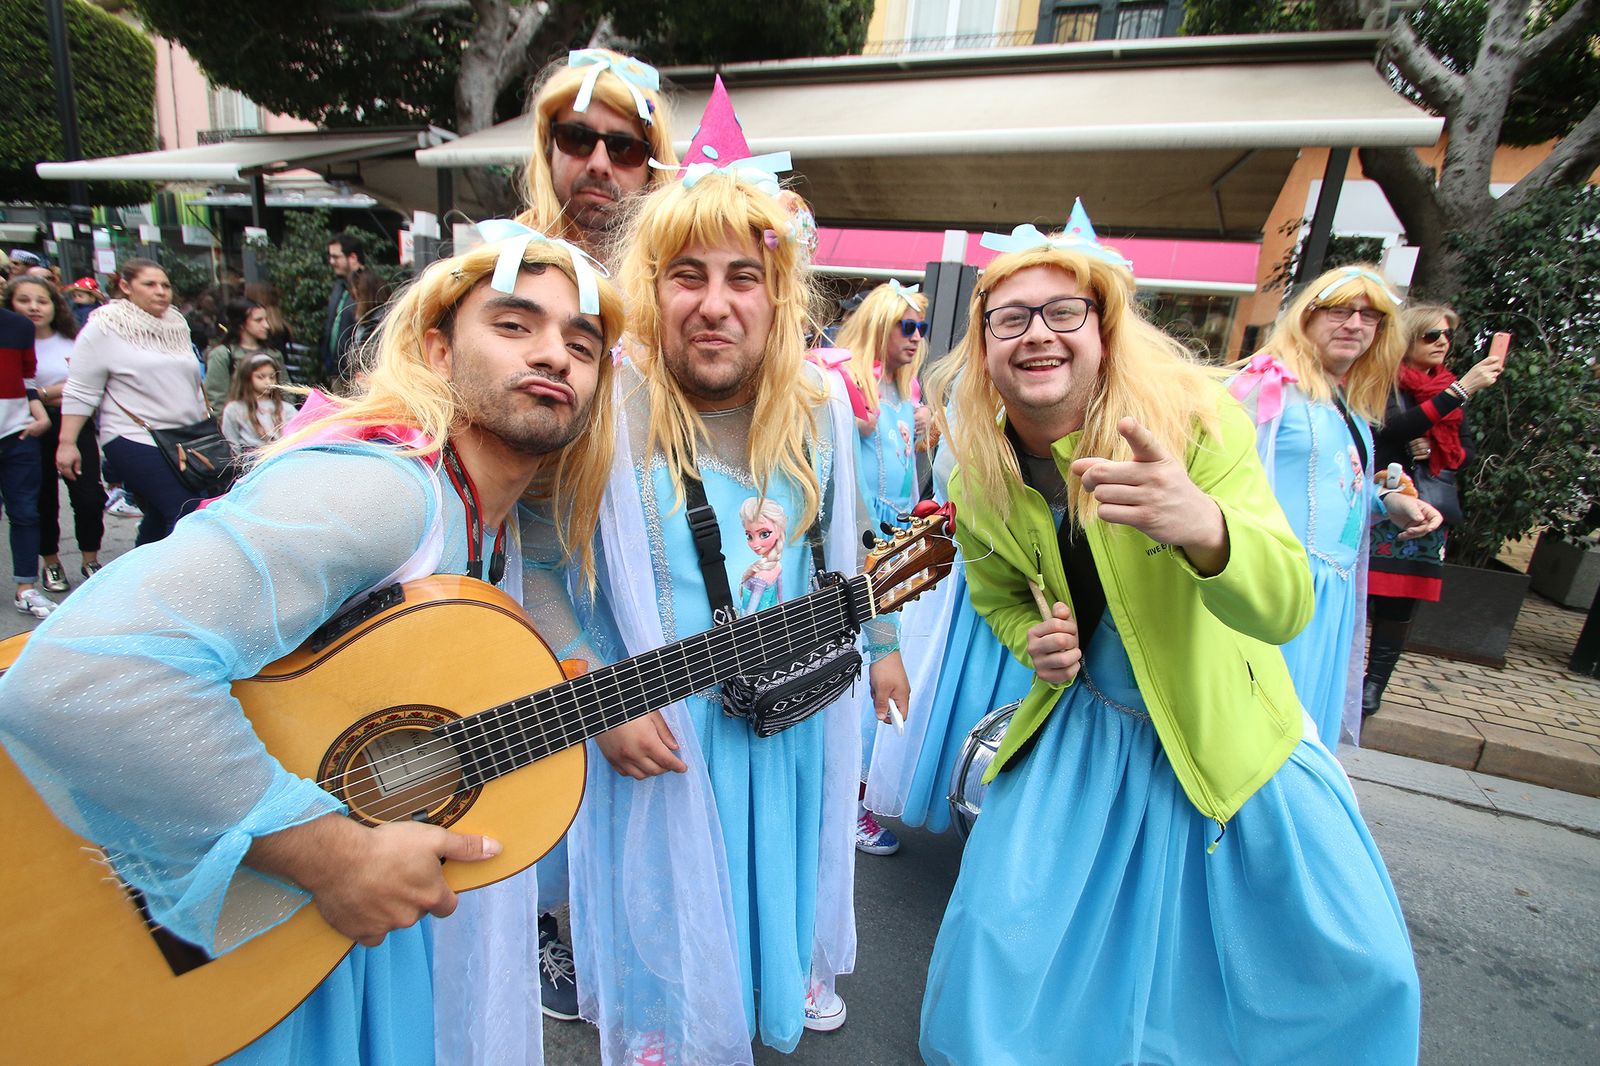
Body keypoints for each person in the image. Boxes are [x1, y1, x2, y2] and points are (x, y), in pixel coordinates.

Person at [0, 229, 624, 1065]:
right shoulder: (382, 491)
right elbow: (83, 673)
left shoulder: (487, 521)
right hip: (237, 922)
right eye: (514, 325)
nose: (554, 353)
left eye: (581, 344)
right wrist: (333, 854)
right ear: (437, 349)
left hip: (310, 955)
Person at [918, 211, 1421, 1065]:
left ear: (1105, 331)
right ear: (985, 345)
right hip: (1082, 737)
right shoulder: (979, 471)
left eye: (1064, 311)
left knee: (1355, 970)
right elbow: (997, 591)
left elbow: (1287, 604)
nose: (1038, 332)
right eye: (1011, 317)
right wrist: (1032, 639)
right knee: (1004, 956)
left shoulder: (1195, 423)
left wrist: (1206, 527)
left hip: (1229, 737)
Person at [566, 91, 910, 1063]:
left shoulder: (820, 414)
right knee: (671, 924)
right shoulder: (609, 410)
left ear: (777, 292)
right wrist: (600, 697)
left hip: (786, 722)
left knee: (771, 890)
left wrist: (877, 650)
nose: (714, 304)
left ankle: (765, 995)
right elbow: (555, 569)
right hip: (663, 733)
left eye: (741, 278)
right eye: (687, 276)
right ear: (653, 286)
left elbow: (838, 560)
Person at [1229, 265, 1440, 748]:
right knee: (1259, 732)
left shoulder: (1345, 399)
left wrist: (1390, 502)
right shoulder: (1267, 385)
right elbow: (1208, 473)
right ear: (1306, 317)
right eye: (1339, 310)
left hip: (1333, 595)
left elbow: (1341, 485)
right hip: (1275, 589)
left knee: (1299, 732)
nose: (1355, 324)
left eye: (1370, 316)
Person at [812, 278, 933, 856]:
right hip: (855, 552)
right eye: (904, 325)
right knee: (850, 673)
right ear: (878, 326)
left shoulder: (906, 398)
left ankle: (851, 799)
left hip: (896, 550)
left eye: (921, 328)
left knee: (879, 676)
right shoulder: (848, 390)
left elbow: (906, 486)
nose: (914, 338)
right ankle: (842, 805)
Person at [1363, 303, 1506, 716]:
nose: (1442, 342)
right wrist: (1461, 389)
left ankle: (1374, 687)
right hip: (1380, 504)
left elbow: (1466, 453)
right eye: (1432, 335)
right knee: (1359, 598)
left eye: (1446, 336)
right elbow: (1391, 430)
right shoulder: (1385, 383)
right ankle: (1348, 673)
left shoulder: (1443, 387)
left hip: (1427, 510)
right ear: (1407, 339)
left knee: (1399, 606)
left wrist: (1436, 453)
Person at [56, 258, 210, 546]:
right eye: (149, 284)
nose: (161, 291)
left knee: (159, 514)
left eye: (165, 285)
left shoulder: (177, 323)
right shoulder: (104, 326)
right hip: (134, 436)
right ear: (125, 286)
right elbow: (80, 389)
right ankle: (181, 584)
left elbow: (193, 384)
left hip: (186, 437)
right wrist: (67, 443)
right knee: (185, 511)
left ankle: (136, 579)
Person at [520, 48, 678, 257]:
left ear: (653, 165)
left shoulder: (679, 271)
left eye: (623, 148)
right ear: (548, 148)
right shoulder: (501, 263)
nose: (599, 164)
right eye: (577, 138)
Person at [4, 277, 106, 593]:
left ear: (54, 305)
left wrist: (44, 392)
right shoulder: (12, 341)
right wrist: (51, 393)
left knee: (89, 496)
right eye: (24, 300)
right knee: (42, 500)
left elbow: (90, 382)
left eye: (42, 300)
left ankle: (91, 558)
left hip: (75, 420)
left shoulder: (74, 339)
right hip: (30, 426)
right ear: (11, 304)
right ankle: (51, 563)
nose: (34, 307)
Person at [1, 304, 55, 618]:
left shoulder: (19, 327)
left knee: (25, 512)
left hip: (18, 434)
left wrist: (39, 414)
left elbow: (26, 378)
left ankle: (26, 587)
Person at [205, 298, 285, 414]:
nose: (266, 325)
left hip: (274, 422)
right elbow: (216, 399)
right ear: (241, 324)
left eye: (266, 319)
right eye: (258, 320)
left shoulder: (273, 354)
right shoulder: (223, 355)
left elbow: (286, 392)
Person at [221, 352, 299, 452]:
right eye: (260, 377)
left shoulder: (286, 408)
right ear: (247, 378)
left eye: (272, 377)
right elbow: (231, 441)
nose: (268, 382)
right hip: (251, 462)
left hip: (282, 459)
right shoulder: (234, 409)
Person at [323, 232, 365, 381]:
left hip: (356, 375)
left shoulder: (368, 287)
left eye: (336, 256)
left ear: (352, 258)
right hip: (336, 371)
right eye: (330, 256)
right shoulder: (340, 286)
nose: (331, 261)